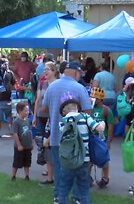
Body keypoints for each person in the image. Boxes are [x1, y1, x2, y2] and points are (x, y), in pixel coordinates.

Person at [41, 61, 92, 204]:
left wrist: (54, 109)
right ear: (76, 73)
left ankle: (58, 195)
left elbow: (43, 108)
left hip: (57, 135)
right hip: (76, 138)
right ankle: (76, 196)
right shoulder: (80, 88)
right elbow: (88, 110)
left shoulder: (52, 87)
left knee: (58, 167)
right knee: (76, 165)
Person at [58, 92, 105, 204]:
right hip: (84, 159)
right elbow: (99, 129)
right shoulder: (85, 117)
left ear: (64, 110)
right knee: (83, 189)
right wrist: (102, 123)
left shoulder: (62, 122)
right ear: (77, 107)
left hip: (67, 160)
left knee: (64, 189)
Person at [90, 88, 115, 188]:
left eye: (95, 98)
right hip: (91, 137)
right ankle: (87, 178)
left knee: (103, 159)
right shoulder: (90, 109)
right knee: (90, 159)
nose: (92, 100)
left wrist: (109, 140)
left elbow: (110, 126)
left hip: (101, 139)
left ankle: (105, 178)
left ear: (100, 99)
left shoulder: (106, 110)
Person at [11, 101, 33, 181]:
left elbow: (30, 132)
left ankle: (26, 176)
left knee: (27, 162)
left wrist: (31, 143)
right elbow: (15, 134)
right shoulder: (16, 122)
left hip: (28, 146)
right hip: (19, 146)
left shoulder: (28, 121)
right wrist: (19, 145)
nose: (28, 112)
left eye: (28, 110)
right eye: (26, 110)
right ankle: (13, 176)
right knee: (17, 161)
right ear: (20, 111)